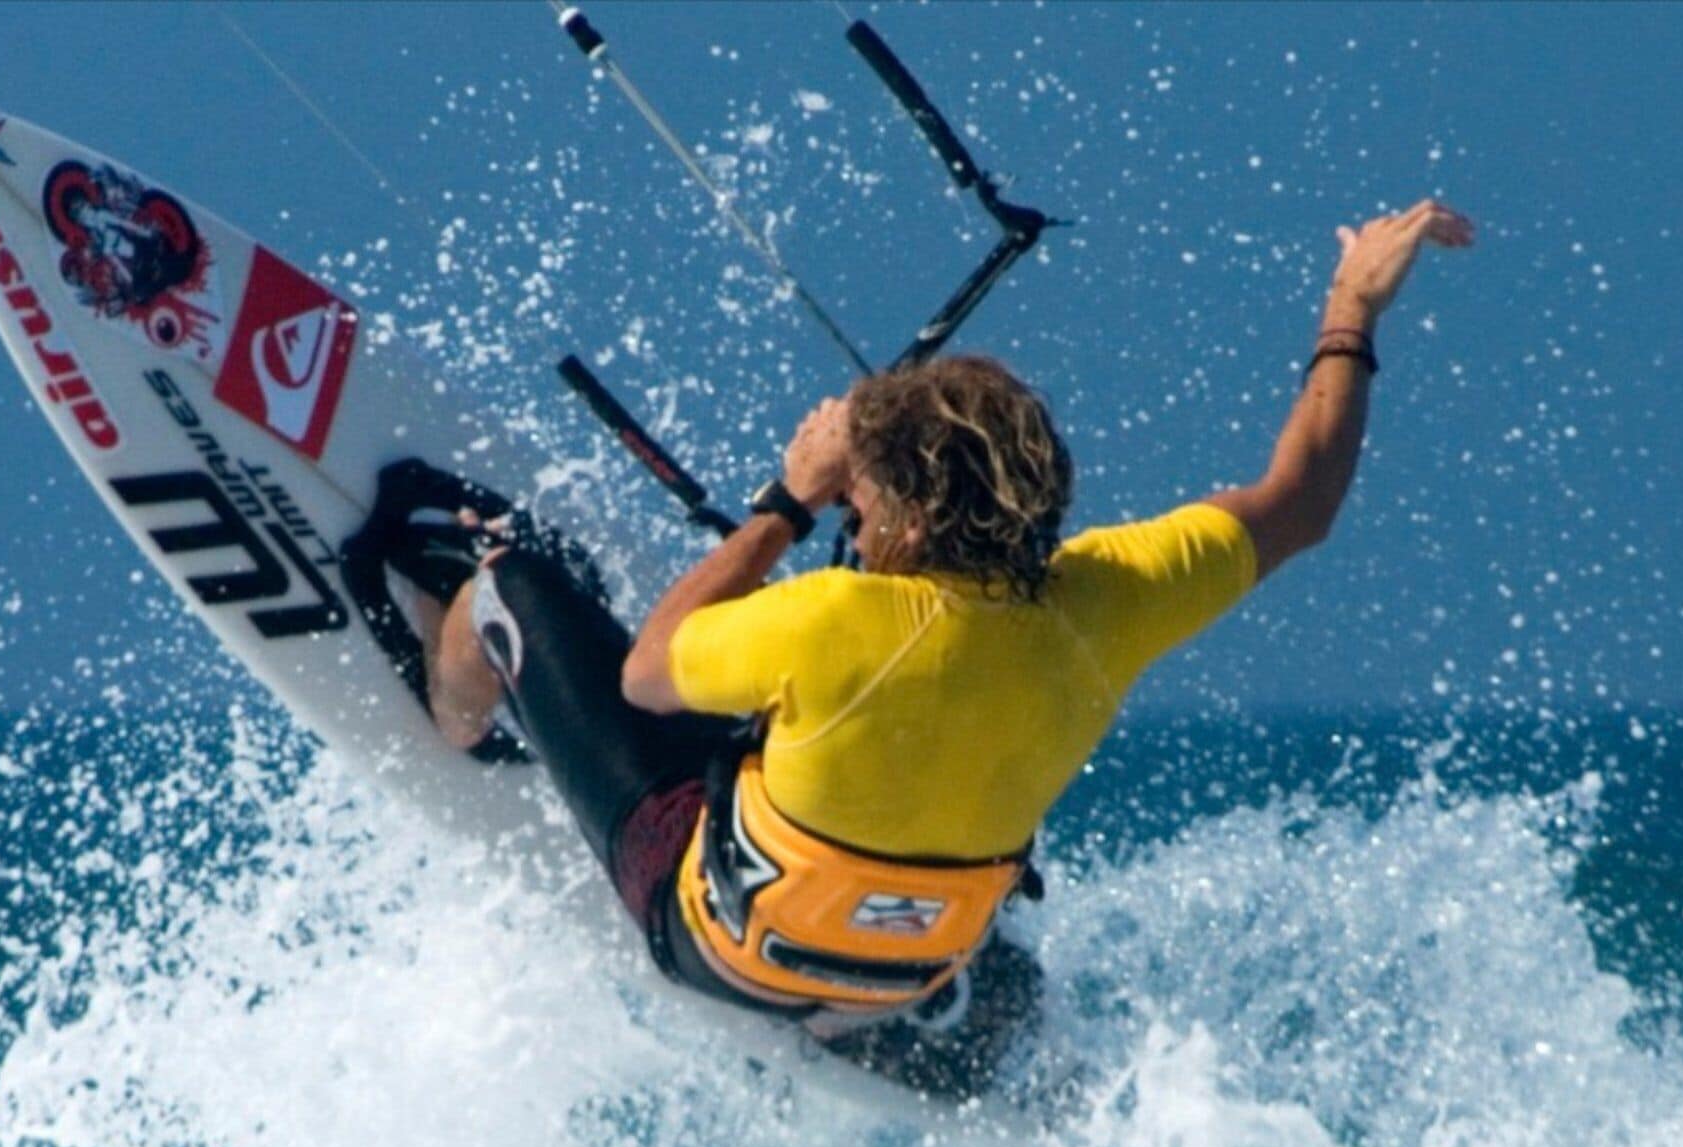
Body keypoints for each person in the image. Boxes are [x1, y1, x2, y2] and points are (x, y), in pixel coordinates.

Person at [360, 202, 1474, 1093]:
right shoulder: (1114, 598)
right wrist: (1351, 309)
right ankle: (955, 1037)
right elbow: (1305, 496)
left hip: (712, 942)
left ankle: (456, 711)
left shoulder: (832, 620)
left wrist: (786, 503)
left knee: (517, 583)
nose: (850, 517)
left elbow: (648, 672)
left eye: (859, 501)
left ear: (891, 516)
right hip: (901, 979)